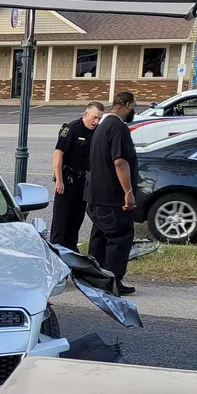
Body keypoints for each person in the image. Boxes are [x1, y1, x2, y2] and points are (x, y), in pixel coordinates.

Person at [84, 92, 139, 296]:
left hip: (95, 195)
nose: (135, 110)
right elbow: (120, 162)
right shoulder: (118, 127)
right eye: (134, 105)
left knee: (99, 238)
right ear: (126, 104)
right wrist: (128, 192)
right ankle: (113, 282)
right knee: (120, 237)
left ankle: (94, 278)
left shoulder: (102, 126)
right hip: (112, 196)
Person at [50, 101, 104, 252]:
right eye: (94, 117)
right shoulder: (71, 129)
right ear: (85, 114)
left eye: (99, 119)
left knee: (75, 224)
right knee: (61, 224)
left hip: (85, 184)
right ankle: (56, 253)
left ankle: (71, 255)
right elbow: (58, 154)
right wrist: (59, 180)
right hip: (68, 182)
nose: (96, 121)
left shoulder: (97, 132)